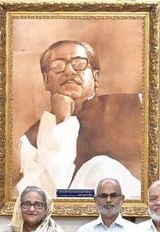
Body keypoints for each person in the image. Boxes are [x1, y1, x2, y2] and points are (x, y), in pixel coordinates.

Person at [16, 40, 142, 199]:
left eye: (79, 64)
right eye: (58, 66)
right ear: (46, 81)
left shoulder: (139, 105)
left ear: (95, 77)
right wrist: (61, 122)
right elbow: (47, 196)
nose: (69, 71)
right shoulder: (30, 140)